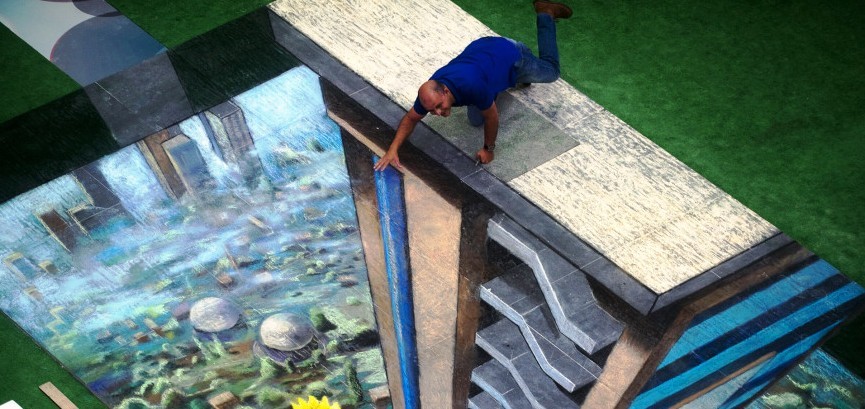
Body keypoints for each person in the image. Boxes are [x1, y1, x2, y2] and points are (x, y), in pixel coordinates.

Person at [373, 1, 573, 171]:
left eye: (438, 106)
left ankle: (545, 13)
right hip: (483, 51)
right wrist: (392, 150)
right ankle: (505, 75)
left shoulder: (472, 86)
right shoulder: (430, 92)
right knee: (475, 120)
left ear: (446, 91)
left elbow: (492, 116)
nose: (437, 112)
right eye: (432, 110)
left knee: (551, 72)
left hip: (508, 54)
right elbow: (411, 118)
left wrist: (488, 149)